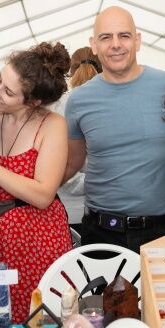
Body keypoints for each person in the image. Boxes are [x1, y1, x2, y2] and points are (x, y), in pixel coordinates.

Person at [0, 42, 73, 324]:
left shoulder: (52, 124)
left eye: (8, 92)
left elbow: (43, 195)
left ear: (33, 101)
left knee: (40, 326)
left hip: (38, 244)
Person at [64, 6, 165, 253]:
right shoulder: (79, 100)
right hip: (101, 233)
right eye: (106, 37)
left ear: (137, 41)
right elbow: (71, 163)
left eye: (124, 36)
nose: (116, 44)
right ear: (94, 45)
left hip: (164, 233)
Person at [51, 47, 101, 231]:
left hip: (64, 208)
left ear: (70, 72)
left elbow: (56, 164)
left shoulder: (56, 106)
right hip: (102, 208)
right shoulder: (107, 103)